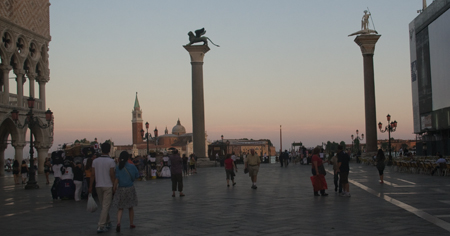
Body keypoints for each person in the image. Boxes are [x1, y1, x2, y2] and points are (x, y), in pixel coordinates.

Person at [89, 142, 116, 233]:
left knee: (104, 205)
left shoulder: (95, 161)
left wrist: (90, 187)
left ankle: (107, 222)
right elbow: (112, 175)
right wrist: (114, 186)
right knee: (106, 206)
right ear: (109, 150)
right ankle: (101, 225)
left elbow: (92, 175)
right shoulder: (111, 161)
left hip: (98, 185)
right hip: (108, 185)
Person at [113, 151, 139, 233]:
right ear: (128, 158)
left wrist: (114, 187)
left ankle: (118, 223)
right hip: (130, 188)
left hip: (121, 188)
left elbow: (116, 178)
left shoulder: (118, 167)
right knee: (130, 207)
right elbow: (137, 176)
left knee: (120, 207)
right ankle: (131, 223)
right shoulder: (132, 166)